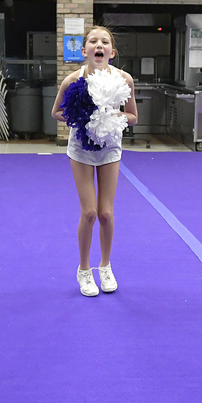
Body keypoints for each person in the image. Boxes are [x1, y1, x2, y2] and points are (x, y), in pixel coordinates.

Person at [51, 26, 137, 297]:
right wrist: (80, 117)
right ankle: (84, 269)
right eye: (92, 41)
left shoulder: (124, 79)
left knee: (106, 213)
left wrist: (114, 119)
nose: (98, 45)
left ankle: (105, 265)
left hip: (110, 147)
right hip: (81, 148)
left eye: (104, 42)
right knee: (89, 213)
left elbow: (133, 116)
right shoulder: (72, 81)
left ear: (111, 52)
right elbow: (56, 112)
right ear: (84, 50)